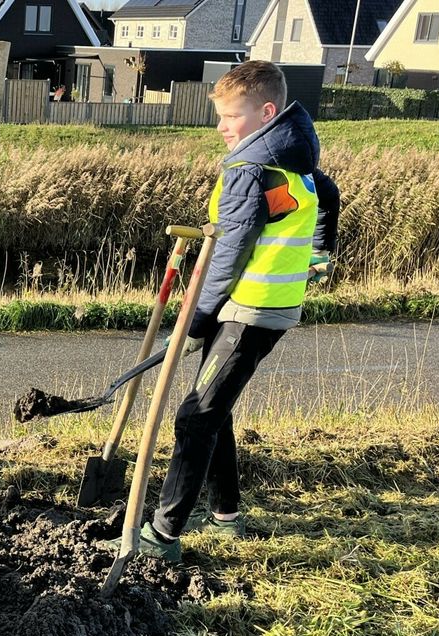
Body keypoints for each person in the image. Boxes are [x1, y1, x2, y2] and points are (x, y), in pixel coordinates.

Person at [102, 61, 340, 561]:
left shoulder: (251, 168)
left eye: (231, 116)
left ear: (265, 112)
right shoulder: (292, 156)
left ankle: (163, 533)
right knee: (214, 406)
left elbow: (230, 254)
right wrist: (322, 249)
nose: (221, 126)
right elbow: (328, 194)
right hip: (263, 305)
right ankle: (226, 513)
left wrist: (197, 321)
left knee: (195, 416)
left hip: (250, 310)